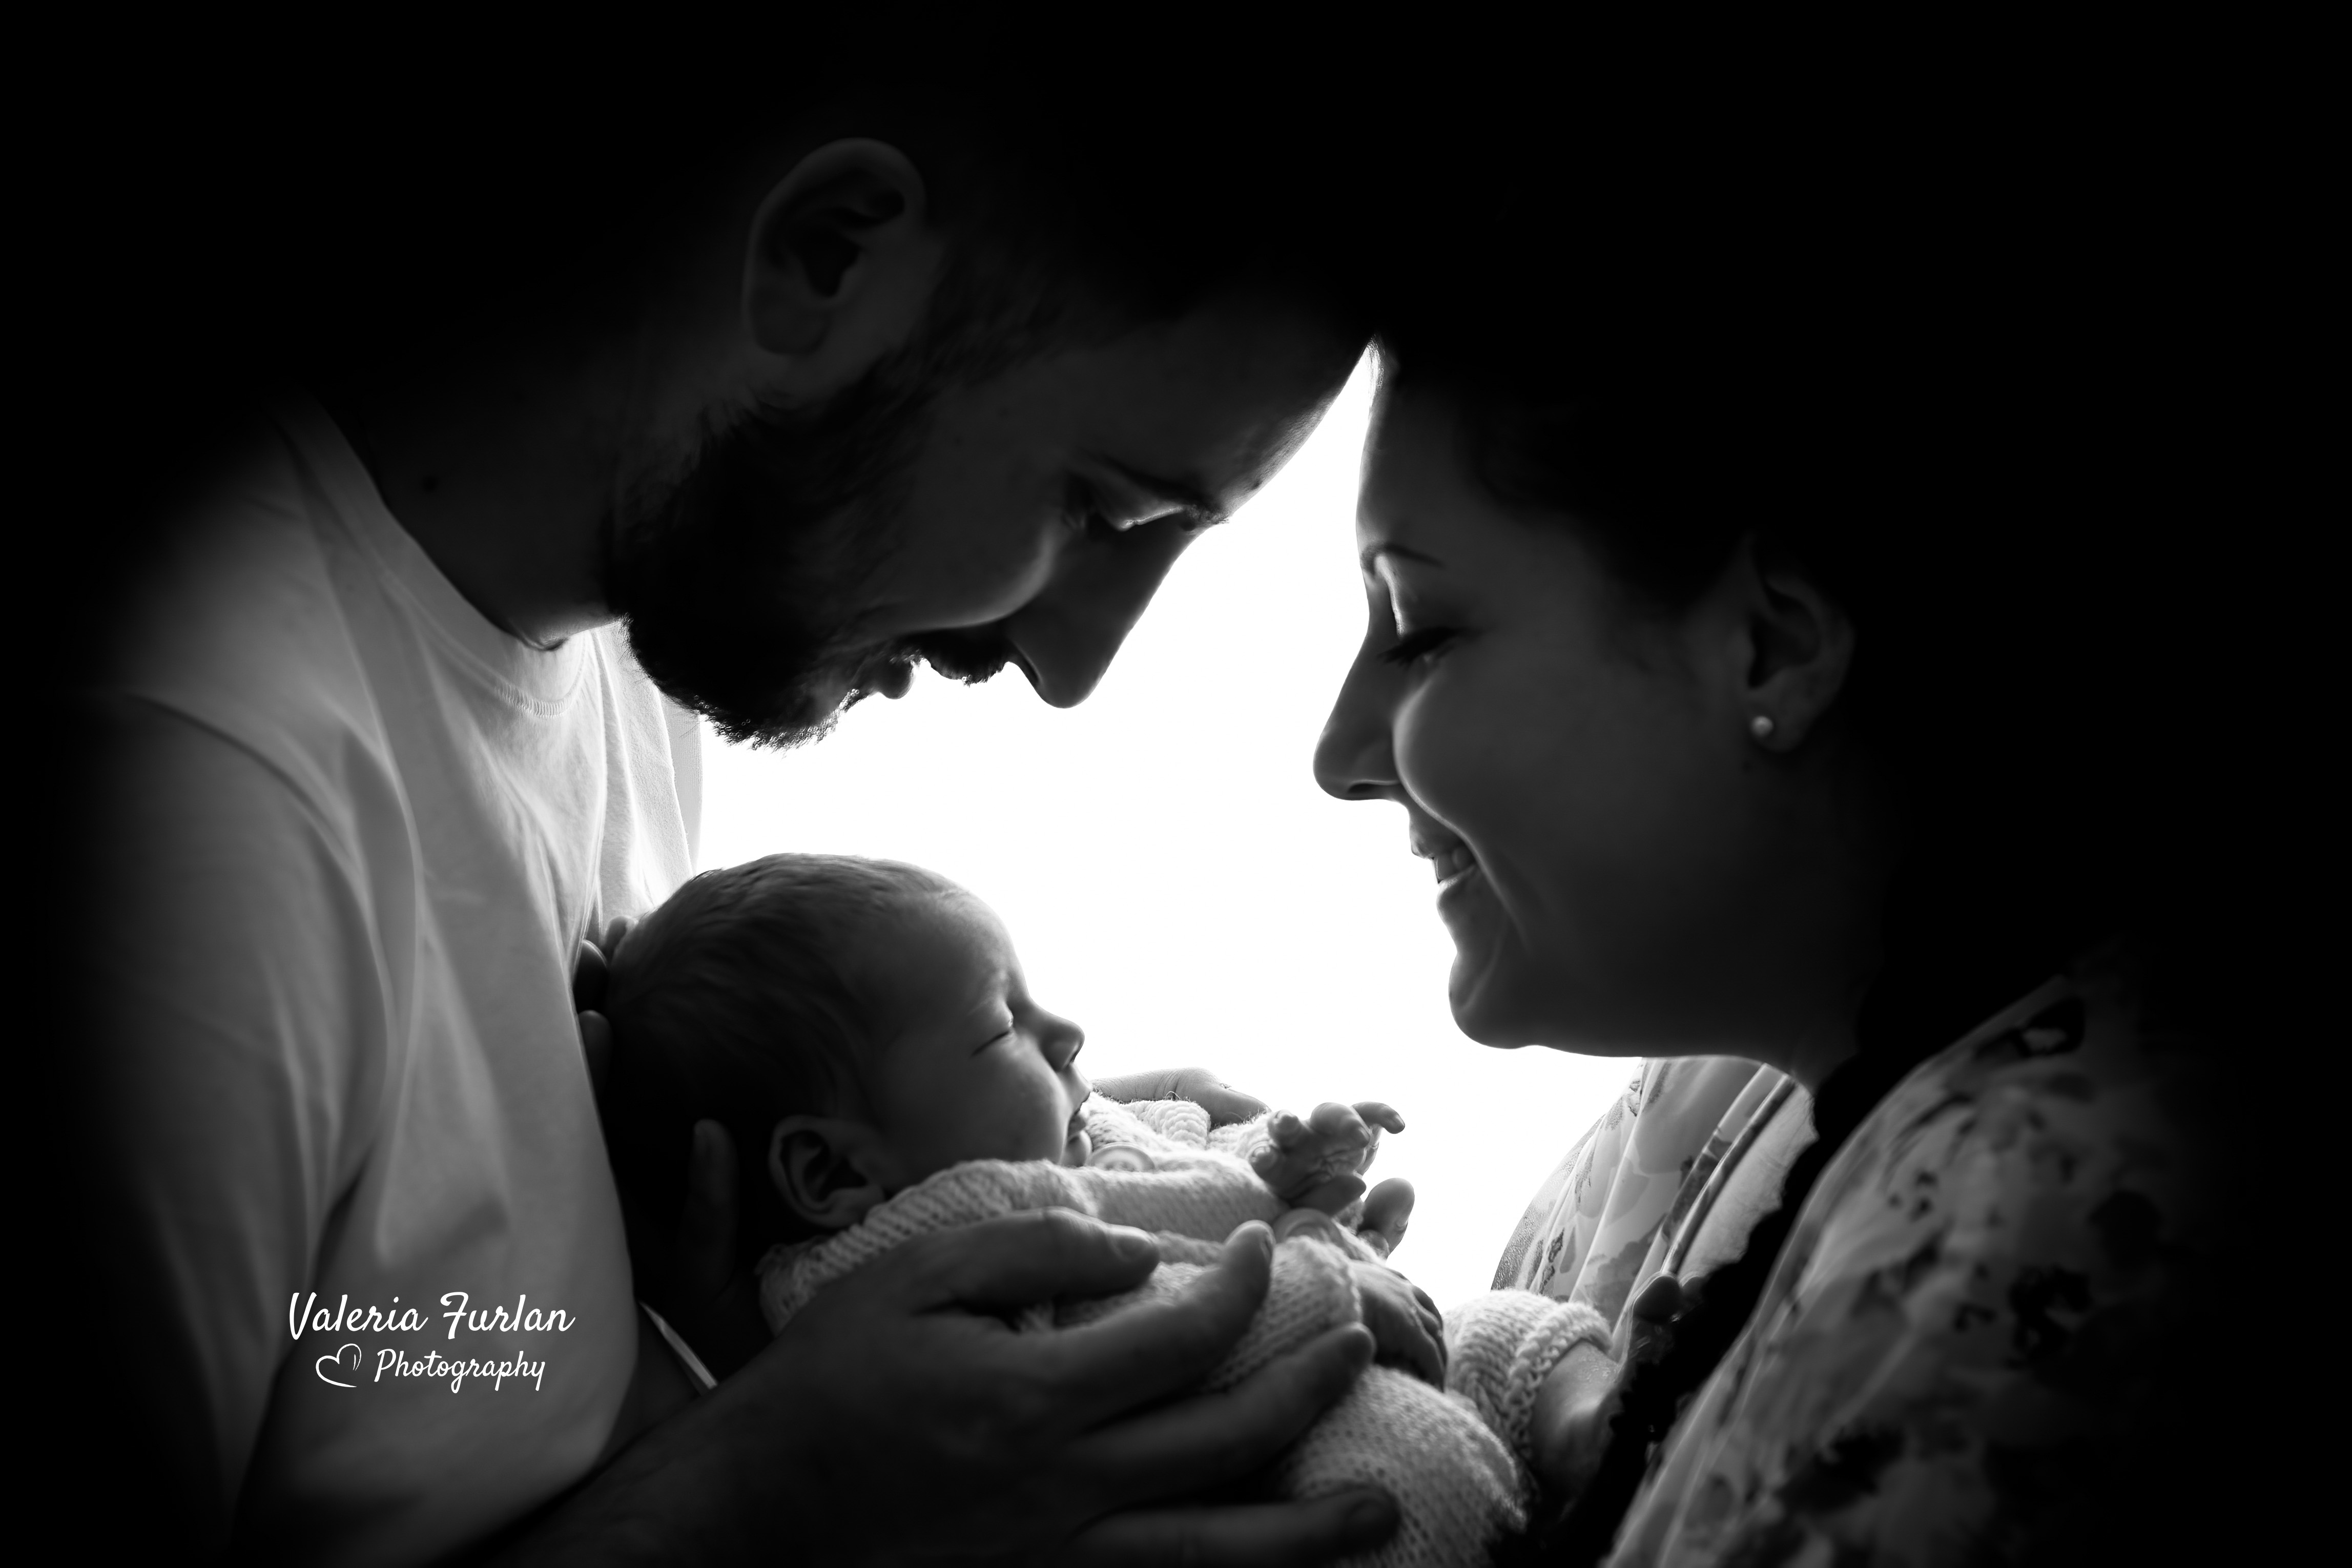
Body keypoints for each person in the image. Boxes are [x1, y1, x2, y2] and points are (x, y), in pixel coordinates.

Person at [56, 35, 1400, 1564]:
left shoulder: (625, 670)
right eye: (1096, 506)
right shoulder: (190, 795)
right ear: (826, 257)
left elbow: (407, 1339)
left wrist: (989, 1154)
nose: (1076, 663)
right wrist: (762, 1492)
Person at [1311, 239, 2254, 1562]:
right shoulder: (1733, 1123)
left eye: (1417, 624)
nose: (1336, 753)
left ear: (1772, 645)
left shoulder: (1997, 1226)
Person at [599, 851, 1544, 1568]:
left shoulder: (1025, 1149)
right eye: (1004, 1022)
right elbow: (1162, 1324)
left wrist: (1285, 1152)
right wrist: (1328, 1284)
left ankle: (1588, 1432)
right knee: (1418, 1469)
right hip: (1276, 1455)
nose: (1069, 1033)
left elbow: (1170, 1157)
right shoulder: (940, 1249)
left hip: (1307, 1368)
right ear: (832, 1169)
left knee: (1504, 1330)